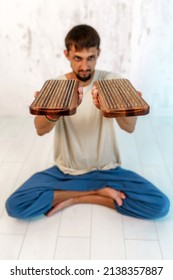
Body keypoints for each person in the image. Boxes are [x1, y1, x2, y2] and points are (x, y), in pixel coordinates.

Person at [6, 24, 170, 220]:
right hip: (66, 173)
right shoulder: (58, 85)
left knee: (159, 206)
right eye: (78, 58)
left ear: (98, 53)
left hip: (107, 172)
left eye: (90, 58)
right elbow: (40, 130)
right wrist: (54, 112)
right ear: (67, 55)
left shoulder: (111, 82)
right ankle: (97, 192)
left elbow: (129, 127)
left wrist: (123, 109)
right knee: (15, 206)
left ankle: (80, 197)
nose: (84, 67)